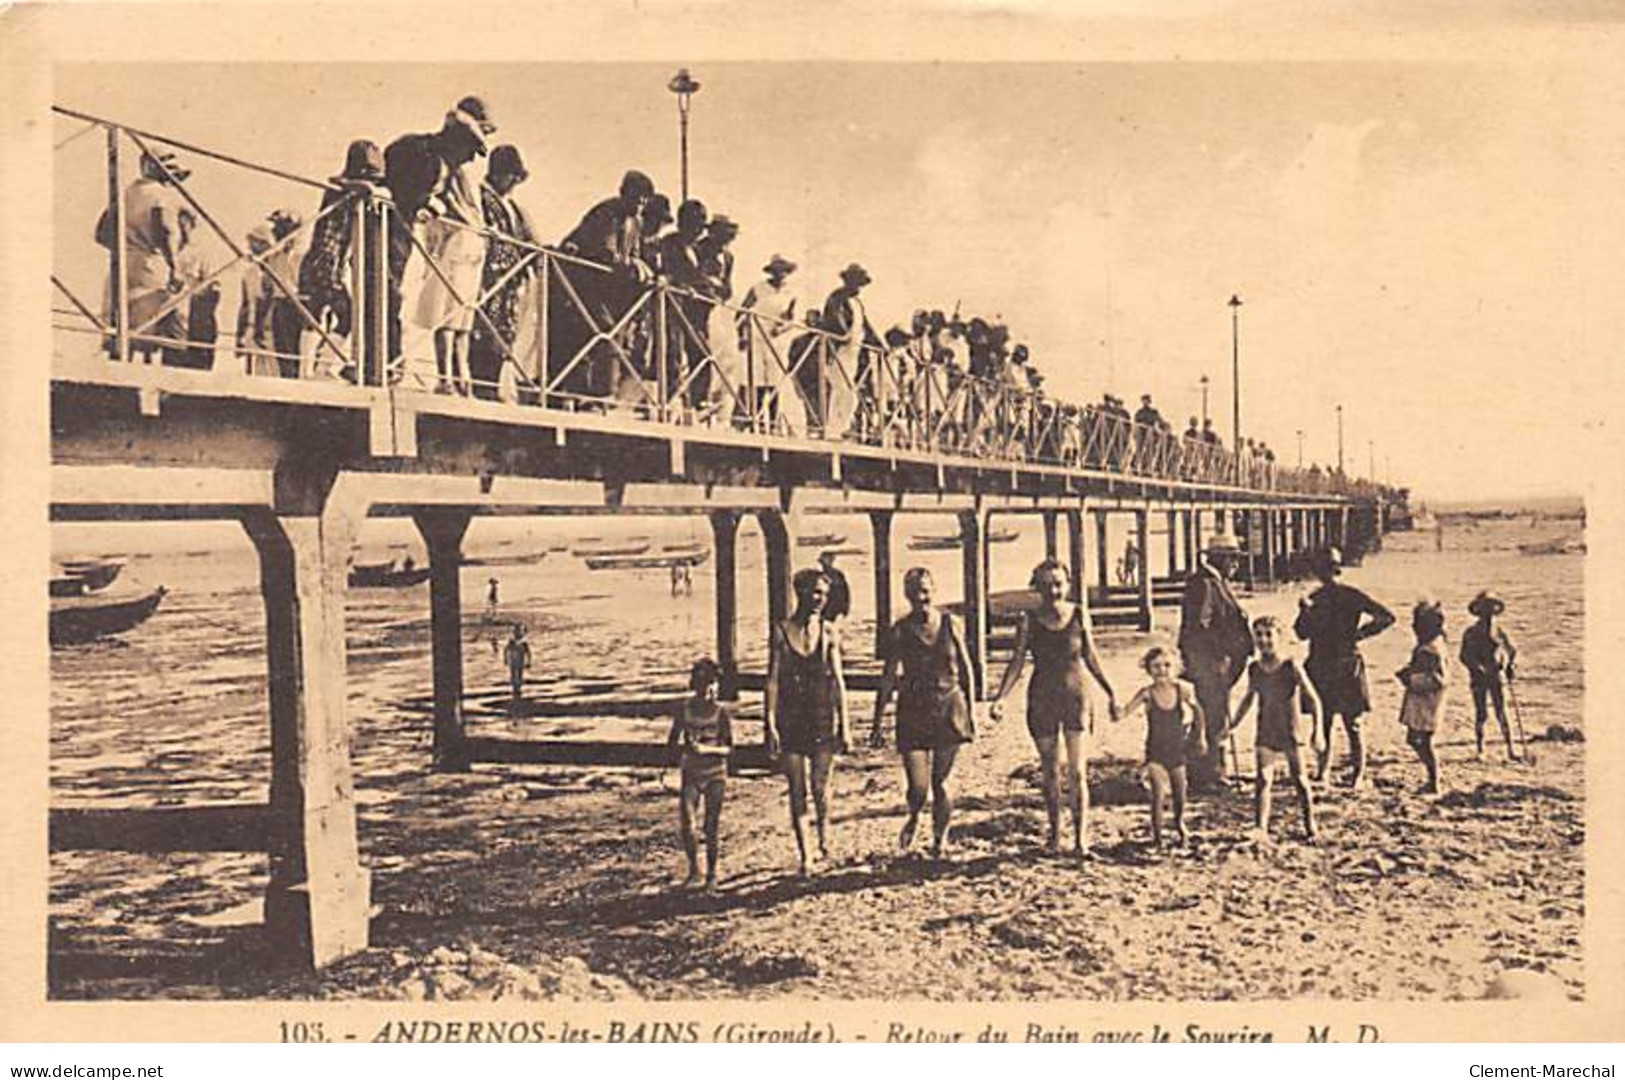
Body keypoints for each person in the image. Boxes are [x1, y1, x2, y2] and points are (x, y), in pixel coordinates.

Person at [991, 559, 1119, 857]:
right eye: (1047, 585)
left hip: (1076, 697)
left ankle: (1081, 839)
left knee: (1077, 772)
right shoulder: (1029, 619)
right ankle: (1054, 836)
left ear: (1068, 584)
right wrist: (1000, 697)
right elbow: (1017, 661)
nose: (1054, 590)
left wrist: (1111, 692)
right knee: (1049, 771)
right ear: (1037, 588)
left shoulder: (1079, 614)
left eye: (1059, 583)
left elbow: (1092, 657)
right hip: (1042, 698)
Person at [383, 97, 495, 376]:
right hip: (388, 226)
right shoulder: (424, 155)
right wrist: (426, 205)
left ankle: (389, 362)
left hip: (403, 231)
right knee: (387, 289)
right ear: (456, 143)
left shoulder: (442, 163)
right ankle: (384, 364)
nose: (470, 159)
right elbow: (404, 189)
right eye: (470, 151)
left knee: (394, 291)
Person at [869, 568, 976, 858]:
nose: (921, 596)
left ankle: (939, 841)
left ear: (934, 589)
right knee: (918, 786)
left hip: (949, 708)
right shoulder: (900, 630)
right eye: (915, 590)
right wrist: (878, 721)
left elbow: (966, 668)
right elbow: (889, 676)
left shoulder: (951, 623)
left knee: (942, 783)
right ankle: (915, 814)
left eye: (925, 589)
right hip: (913, 711)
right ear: (906, 594)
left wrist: (973, 711)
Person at [765, 568, 850, 875]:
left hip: (822, 716)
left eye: (823, 595)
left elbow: (839, 680)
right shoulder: (781, 630)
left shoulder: (828, 632)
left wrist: (846, 724)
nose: (818, 600)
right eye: (814, 592)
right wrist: (769, 722)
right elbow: (773, 680)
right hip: (791, 718)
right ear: (798, 592)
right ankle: (806, 854)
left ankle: (825, 835)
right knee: (797, 788)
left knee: (820, 786)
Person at [1294, 545, 1396, 788]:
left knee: (1331, 721)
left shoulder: (1316, 598)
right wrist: (1360, 634)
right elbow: (1386, 618)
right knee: (1348, 722)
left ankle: (1329, 772)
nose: (1324, 574)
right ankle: (1349, 774)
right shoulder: (1349, 595)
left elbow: (1300, 634)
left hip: (1327, 664)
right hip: (1343, 662)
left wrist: (1305, 611)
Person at [558, 169, 655, 401]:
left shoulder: (636, 222)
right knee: (600, 331)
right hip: (582, 280)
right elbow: (606, 253)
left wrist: (640, 266)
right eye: (636, 198)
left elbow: (634, 253)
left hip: (608, 288)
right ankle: (588, 394)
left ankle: (602, 394)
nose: (639, 204)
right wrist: (634, 265)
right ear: (623, 193)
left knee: (612, 334)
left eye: (644, 200)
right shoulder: (608, 213)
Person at [297, 139, 385, 381]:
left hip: (322, 260)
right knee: (346, 317)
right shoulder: (341, 187)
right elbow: (361, 188)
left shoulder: (342, 187)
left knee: (316, 315)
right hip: (326, 261)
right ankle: (321, 368)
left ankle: (308, 370)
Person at [1231, 615, 1322, 841]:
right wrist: (1233, 724)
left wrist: (1317, 731)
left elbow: (1314, 700)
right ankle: (1260, 827)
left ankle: (1309, 822)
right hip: (1266, 730)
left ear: (1279, 637)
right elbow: (1248, 698)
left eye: (1268, 634)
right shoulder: (1255, 668)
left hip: (1290, 730)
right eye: (1258, 635)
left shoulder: (1291, 666)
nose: (1263, 640)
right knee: (1263, 778)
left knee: (1300, 780)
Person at [97, 149, 191, 362]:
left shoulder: (125, 193)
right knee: (155, 327)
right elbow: (165, 230)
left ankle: (120, 377)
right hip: (150, 265)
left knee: (121, 327)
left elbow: (101, 233)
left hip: (121, 264)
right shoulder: (161, 195)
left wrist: (125, 245)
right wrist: (174, 265)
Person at [1177, 531, 1254, 790]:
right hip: (1210, 666)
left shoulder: (1216, 581)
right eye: (1230, 558)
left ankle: (1207, 770)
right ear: (1217, 559)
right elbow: (1199, 627)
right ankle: (1209, 775)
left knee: (1214, 716)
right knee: (1214, 718)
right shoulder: (1204, 584)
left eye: (1236, 558)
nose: (1235, 563)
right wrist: (1220, 655)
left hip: (1219, 665)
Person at [1117, 644, 1204, 848]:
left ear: (1176, 667)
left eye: (1166, 665)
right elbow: (1125, 711)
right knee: (1157, 793)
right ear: (1148, 669)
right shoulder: (1146, 693)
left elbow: (1199, 711)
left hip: (1178, 748)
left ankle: (1179, 824)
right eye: (1156, 666)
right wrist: (1116, 710)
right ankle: (1157, 835)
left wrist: (1200, 737)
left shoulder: (1182, 689)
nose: (1162, 670)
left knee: (1180, 791)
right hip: (1155, 749)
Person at [469, 145, 537, 400]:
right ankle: (480, 389)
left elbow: (530, 238)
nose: (514, 184)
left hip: (509, 284)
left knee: (503, 337)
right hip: (489, 279)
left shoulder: (514, 208)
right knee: (484, 334)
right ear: (498, 173)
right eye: (511, 177)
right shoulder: (482, 198)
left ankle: (491, 388)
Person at [665, 658, 734, 890]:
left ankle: (712, 874)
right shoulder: (684, 710)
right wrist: (681, 752)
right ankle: (695, 870)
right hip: (691, 772)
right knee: (687, 823)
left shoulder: (721, 713)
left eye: (712, 684)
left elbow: (729, 748)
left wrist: (707, 749)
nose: (708, 690)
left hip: (715, 772)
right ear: (694, 685)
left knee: (711, 825)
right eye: (703, 684)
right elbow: (672, 741)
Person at [739, 254, 802, 431]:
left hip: (777, 340)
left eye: (783, 271)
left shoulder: (791, 293)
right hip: (756, 336)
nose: (780, 275)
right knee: (757, 379)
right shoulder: (758, 288)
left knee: (774, 381)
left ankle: (773, 422)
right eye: (777, 271)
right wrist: (742, 335)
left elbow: (791, 319)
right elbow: (742, 311)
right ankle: (755, 421)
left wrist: (780, 329)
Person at [1396, 599, 1450, 795]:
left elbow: (1437, 679)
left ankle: (1434, 780)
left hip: (1426, 702)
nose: (1413, 626)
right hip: (1425, 700)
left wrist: (1409, 679)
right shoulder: (1434, 645)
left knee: (1422, 740)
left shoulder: (1429, 649)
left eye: (1416, 623)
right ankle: (1433, 777)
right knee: (1419, 739)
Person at [1460, 591, 1520, 761]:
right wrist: (1476, 667)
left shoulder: (1500, 632)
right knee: (1481, 713)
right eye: (1485, 607)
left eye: (1491, 607)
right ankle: (1481, 750)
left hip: (1497, 676)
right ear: (1479, 610)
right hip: (1479, 678)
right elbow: (1464, 655)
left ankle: (1511, 748)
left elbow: (1512, 651)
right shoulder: (1471, 632)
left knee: (1502, 712)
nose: (1489, 611)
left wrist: (1511, 665)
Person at [821, 264, 877, 437]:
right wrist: (844, 335)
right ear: (848, 281)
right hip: (839, 350)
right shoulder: (837, 297)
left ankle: (841, 427)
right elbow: (835, 318)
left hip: (854, 352)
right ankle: (832, 429)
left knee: (849, 391)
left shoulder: (857, 303)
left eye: (860, 284)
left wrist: (880, 345)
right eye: (855, 282)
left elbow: (866, 326)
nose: (858, 287)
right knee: (840, 389)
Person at [816, 551, 851, 622]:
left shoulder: (837, 574)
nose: (823, 565)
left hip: (834, 607)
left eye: (824, 562)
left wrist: (845, 607)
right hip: (827, 607)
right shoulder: (820, 575)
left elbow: (844, 591)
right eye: (822, 563)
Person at [503, 622, 530, 710]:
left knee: (519, 675)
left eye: (520, 630)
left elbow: (528, 652)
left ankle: (518, 689)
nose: (518, 632)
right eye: (517, 630)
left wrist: (528, 661)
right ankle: (515, 689)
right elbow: (506, 650)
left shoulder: (524, 642)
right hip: (513, 661)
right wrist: (506, 659)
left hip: (520, 661)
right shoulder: (512, 641)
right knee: (514, 675)